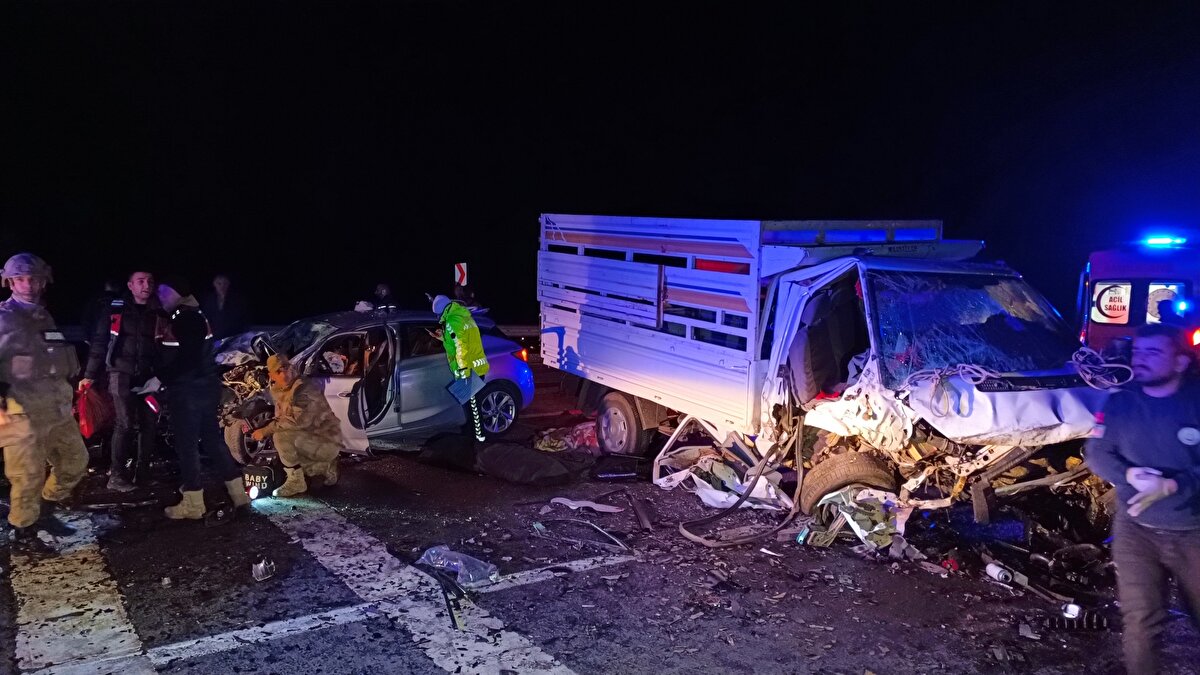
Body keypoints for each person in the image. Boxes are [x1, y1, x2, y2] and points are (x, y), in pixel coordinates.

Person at [1085, 323, 1200, 674]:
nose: (1141, 360)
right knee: (1141, 619)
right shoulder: (1121, 402)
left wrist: (1173, 486)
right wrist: (1130, 476)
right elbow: (1097, 452)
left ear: (1179, 362)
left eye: (1153, 353)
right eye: (1138, 352)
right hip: (1137, 532)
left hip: (1193, 530)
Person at [0, 253, 89, 553]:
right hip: (19, 413)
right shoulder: (3, 318)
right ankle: (23, 531)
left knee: (75, 463)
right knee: (27, 477)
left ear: (43, 281)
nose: (28, 284)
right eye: (21, 278)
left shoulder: (45, 316)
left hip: (57, 410)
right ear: (9, 281)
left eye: (34, 278)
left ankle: (45, 511)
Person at [154, 276, 249, 519]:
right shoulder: (194, 314)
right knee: (212, 441)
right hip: (204, 388)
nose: (160, 296)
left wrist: (158, 378)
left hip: (188, 392)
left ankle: (194, 503)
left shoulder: (186, 318)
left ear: (177, 292)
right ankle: (238, 494)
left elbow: (188, 358)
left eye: (164, 292)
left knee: (187, 447)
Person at [79, 270, 162, 491]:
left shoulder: (159, 312)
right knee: (124, 423)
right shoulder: (115, 309)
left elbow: (165, 347)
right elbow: (100, 342)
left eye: (150, 281)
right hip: (120, 374)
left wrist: (161, 375)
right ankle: (116, 476)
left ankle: (143, 474)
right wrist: (89, 375)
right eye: (141, 281)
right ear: (130, 285)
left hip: (149, 377)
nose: (146, 285)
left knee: (149, 424)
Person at [251, 354, 341, 497]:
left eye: (285, 367)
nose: (284, 373)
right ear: (272, 375)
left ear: (291, 367)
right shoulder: (278, 389)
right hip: (312, 437)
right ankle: (326, 467)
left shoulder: (304, 388)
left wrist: (265, 430)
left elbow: (297, 421)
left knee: (281, 437)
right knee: (285, 446)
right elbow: (281, 415)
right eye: (278, 371)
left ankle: (297, 482)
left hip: (326, 439)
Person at [431, 294, 490, 442]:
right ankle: (472, 433)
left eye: (437, 314)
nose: (437, 317)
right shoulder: (464, 317)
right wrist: (443, 337)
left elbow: (460, 347)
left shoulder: (452, 320)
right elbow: (458, 339)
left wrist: (463, 372)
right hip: (476, 367)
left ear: (441, 311)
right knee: (471, 406)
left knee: (474, 408)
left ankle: (479, 440)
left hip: (469, 370)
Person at [200, 274, 250, 339]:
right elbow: (206, 318)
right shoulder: (209, 300)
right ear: (214, 284)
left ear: (228, 284)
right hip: (215, 338)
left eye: (225, 283)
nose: (222, 286)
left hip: (233, 337)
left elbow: (241, 319)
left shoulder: (237, 300)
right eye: (219, 284)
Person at [79, 279, 121, 346]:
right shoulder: (120, 301)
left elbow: (86, 319)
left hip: (95, 337)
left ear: (106, 286)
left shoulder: (94, 300)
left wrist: (86, 337)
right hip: (114, 340)